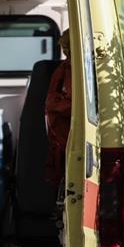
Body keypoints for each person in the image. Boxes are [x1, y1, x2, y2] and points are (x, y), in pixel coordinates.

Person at [44, 29, 72, 187]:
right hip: (65, 135)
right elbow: (69, 104)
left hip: (61, 137)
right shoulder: (70, 69)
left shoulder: (65, 68)